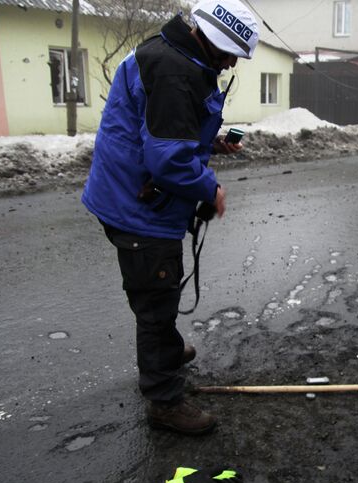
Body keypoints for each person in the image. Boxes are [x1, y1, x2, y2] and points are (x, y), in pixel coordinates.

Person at [81, 0, 259, 435]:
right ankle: (164, 400)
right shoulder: (177, 73)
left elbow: (165, 130)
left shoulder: (170, 53)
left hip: (131, 195)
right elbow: (169, 161)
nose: (233, 62)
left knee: (158, 290)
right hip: (138, 208)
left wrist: (211, 142)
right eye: (231, 54)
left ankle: (168, 351)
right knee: (156, 304)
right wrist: (210, 188)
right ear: (213, 43)